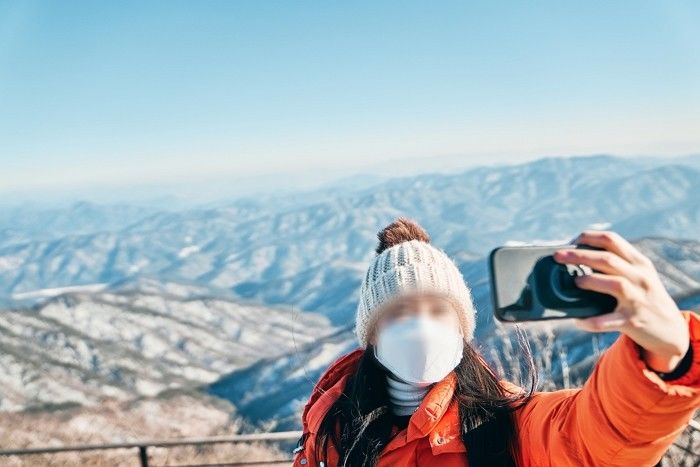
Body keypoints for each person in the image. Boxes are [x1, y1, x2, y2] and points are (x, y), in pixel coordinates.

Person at [292, 217, 700, 467]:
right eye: (399, 312)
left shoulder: (507, 422)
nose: (421, 326)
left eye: (438, 310)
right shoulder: (331, 425)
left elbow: (594, 438)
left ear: (462, 327)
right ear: (371, 334)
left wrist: (667, 354)